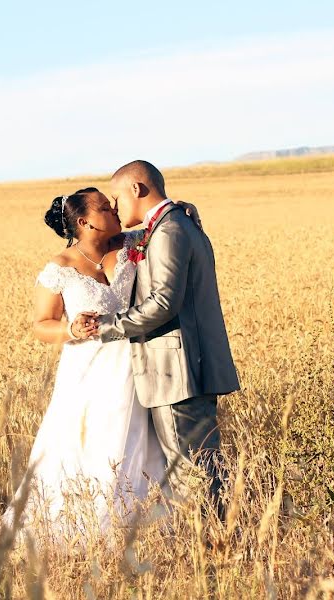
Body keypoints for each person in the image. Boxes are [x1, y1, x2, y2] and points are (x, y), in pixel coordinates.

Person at [3, 187, 201, 544]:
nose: (114, 208)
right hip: (88, 367)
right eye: (104, 207)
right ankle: (92, 526)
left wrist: (182, 209)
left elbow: (166, 225)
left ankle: (148, 523)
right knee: (92, 437)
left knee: (142, 435)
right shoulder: (58, 270)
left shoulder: (131, 244)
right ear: (85, 222)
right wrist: (70, 328)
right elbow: (40, 324)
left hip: (137, 360)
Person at [73, 160, 240, 517]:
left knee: (192, 475)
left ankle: (212, 550)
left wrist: (105, 326)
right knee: (199, 471)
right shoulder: (170, 224)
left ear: (136, 189)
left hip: (177, 371)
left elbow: (163, 302)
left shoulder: (169, 230)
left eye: (116, 198)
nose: (115, 208)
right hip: (180, 369)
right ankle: (216, 542)